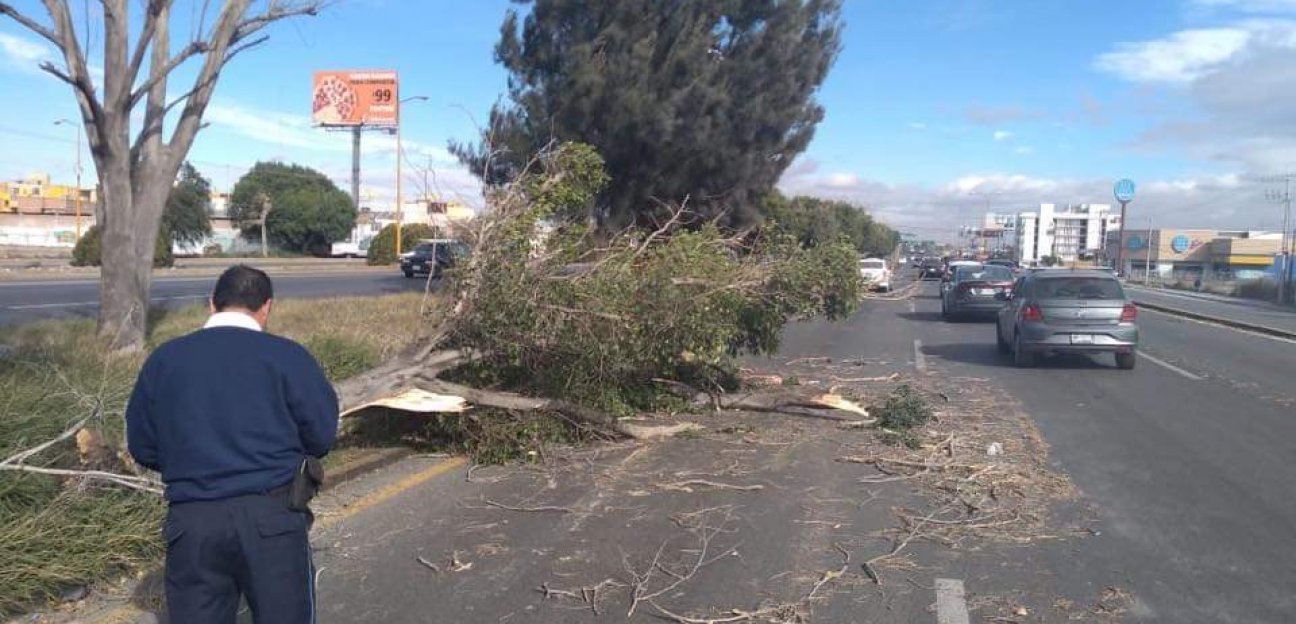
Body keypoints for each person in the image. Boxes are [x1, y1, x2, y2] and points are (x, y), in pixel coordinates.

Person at [126, 265, 339, 624]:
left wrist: (191, 463)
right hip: (272, 516)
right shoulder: (288, 357)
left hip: (192, 520)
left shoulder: (165, 360)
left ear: (212, 304)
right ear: (267, 307)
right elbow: (320, 436)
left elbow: (143, 446)